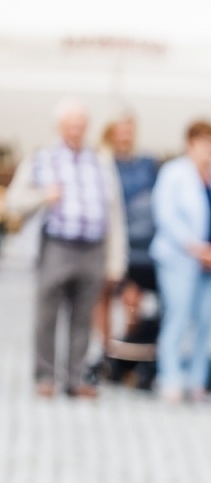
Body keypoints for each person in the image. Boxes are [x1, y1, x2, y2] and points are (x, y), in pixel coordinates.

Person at [5, 99, 127, 398]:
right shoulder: (42, 158)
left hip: (93, 246)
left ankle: (76, 377)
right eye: (71, 124)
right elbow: (14, 202)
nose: (77, 130)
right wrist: (44, 196)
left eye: (81, 124)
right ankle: (45, 375)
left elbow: (115, 212)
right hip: (57, 244)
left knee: (83, 315)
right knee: (48, 313)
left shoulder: (99, 160)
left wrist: (116, 259)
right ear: (59, 127)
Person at [151, 120, 211, 403]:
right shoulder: (174, 173)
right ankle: (170, 376)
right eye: (205, 142)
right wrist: (196, 248)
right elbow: (166, 216)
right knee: (178, 316)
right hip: (180, 259)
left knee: (206, 321)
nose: (210, 149)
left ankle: (198, 380)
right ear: (191, 143)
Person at [100, 112, 160, 361]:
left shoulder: (145, 163)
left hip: (139, 242)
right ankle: (105, 349)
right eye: (121, 129)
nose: (126, 134)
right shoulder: (103, 161)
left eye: (130, 129)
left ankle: (128, 349)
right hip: (111, 234)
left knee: (133, 296)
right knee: (104, 292)